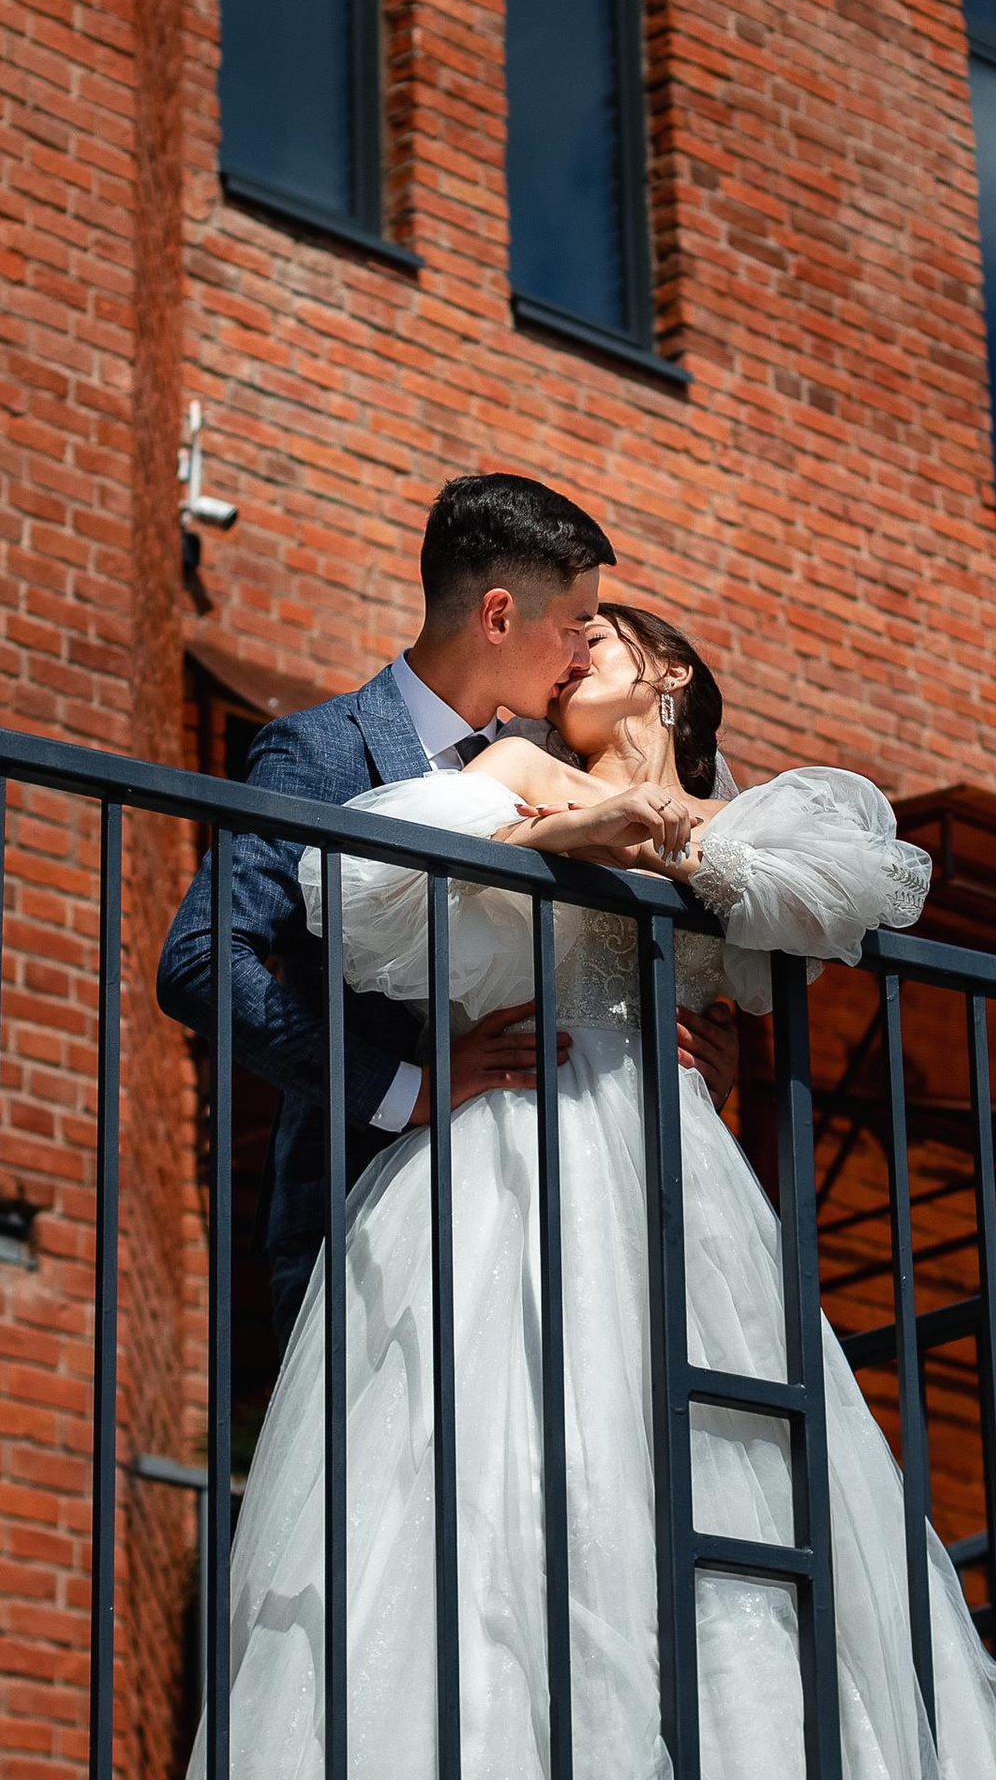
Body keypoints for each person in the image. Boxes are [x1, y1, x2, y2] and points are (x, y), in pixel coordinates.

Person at [171, 601, 996, 1780]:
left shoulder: (739, 822)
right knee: (498, 1486)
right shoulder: (503, 771)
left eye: (605, 638)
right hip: (509, 1156)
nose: (574, 657)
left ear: (669, 675)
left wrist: (666, 842)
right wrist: (573, 835)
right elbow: (363, 886)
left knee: (718, 1503)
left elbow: (833, 889)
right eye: (569, 636)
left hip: (677, 1182)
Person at [157, 471, 702, 1345]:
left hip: (563, 1231)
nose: (580, 654)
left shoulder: (561, 759)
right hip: (367, 1223)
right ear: (498, 617)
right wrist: (409, 1088)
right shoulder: (321, 752)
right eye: (573, 626)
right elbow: (200, 960)